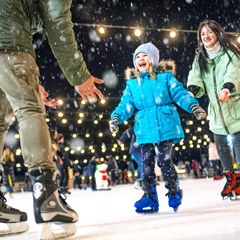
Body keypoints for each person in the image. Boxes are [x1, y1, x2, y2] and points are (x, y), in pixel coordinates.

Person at [0, 0, 104, 238]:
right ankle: (46, 195)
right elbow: (57, 22)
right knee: (30, 110)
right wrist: (79, 75)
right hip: (10, 45)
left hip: (7, 43)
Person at [109, 42, 206, 213]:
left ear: (153, 59)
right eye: (137, 57)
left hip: (165, 125)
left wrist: (193, 106)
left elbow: (180, 94)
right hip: (144, 128)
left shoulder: (165, 78)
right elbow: (126, 105)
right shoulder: (133, 84)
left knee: (164, 159)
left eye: (145, 55)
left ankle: (174, 190)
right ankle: (150, 197)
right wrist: (116, 117)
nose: (141, 59)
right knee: (146, 163)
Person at [187, 19, 240, 199]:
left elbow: (234, 71)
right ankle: (230, 178)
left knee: (239, 145)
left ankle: (239, 177)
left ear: (217, 33)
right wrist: (192, 90)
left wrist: (227, 87)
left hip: (234, 104)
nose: (206, 36)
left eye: (209, 32)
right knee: (221, 145)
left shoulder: (230, 53)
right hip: (216, 108)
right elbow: (195, 76)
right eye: (203, 34)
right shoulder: (200, 58)